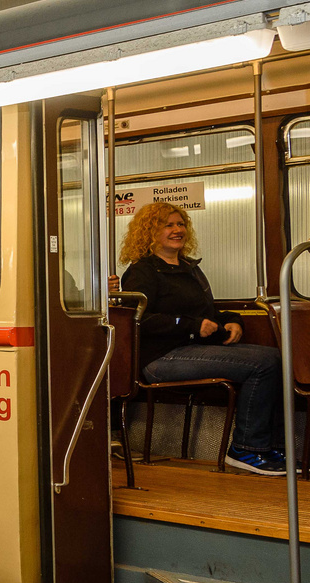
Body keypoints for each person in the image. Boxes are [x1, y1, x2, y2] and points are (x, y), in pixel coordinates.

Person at [119, 201, 284, 476]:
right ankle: (246, 449)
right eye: (168, 225)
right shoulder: (142, 271)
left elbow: (207, 311)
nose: (177, 230)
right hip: (160, 357)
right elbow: (139, 320)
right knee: (265, 363)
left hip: (191, 348)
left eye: (180, 224)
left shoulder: (189, 268)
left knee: (277, 357)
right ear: (149, 232)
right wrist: (191, 326)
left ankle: (269, 448)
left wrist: (233, 319)